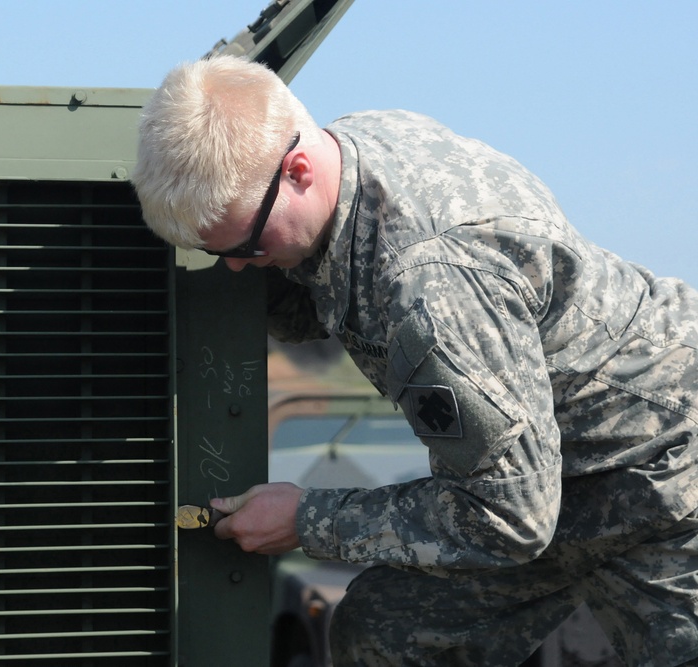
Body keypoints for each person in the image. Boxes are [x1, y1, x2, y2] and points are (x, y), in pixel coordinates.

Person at [132, 54, 698, 666]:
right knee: (389, 630)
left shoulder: (432, 288)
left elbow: (510, 515)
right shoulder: (350, 152)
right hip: (554, 466)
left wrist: (308, 518)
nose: (238, 266)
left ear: (297, 170)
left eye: (247, 245)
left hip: (660, 467)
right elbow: (325, 298)